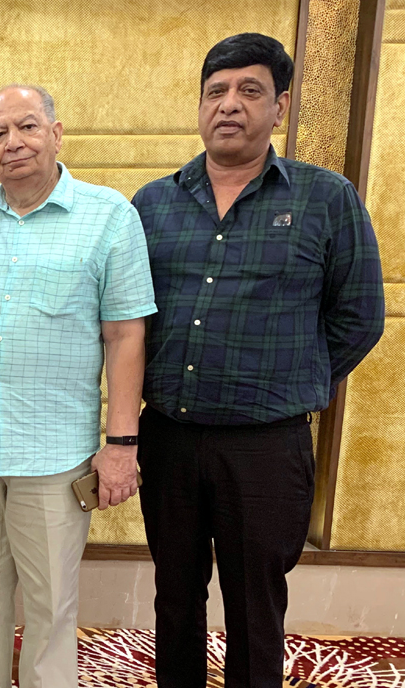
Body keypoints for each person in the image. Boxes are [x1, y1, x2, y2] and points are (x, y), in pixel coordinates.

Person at [132, 33, 384, 688]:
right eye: (216, 91)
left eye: (250, 90)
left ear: (280, 107)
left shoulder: (326, 198)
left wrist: (295, 378)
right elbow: (129, 317)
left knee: (255, 603)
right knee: (174, 595)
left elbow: (360, 316)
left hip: (267, 447)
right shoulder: (152, 203)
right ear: (200, 106)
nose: (229, 104)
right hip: (169, 437)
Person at [0, 84, 156, 687]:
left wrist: (122, 445)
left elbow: (126, 336)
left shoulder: (109, 216)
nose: (13, 142)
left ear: (57, 134)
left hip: (54, 452)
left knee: (50, 604)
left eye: (28, 127)